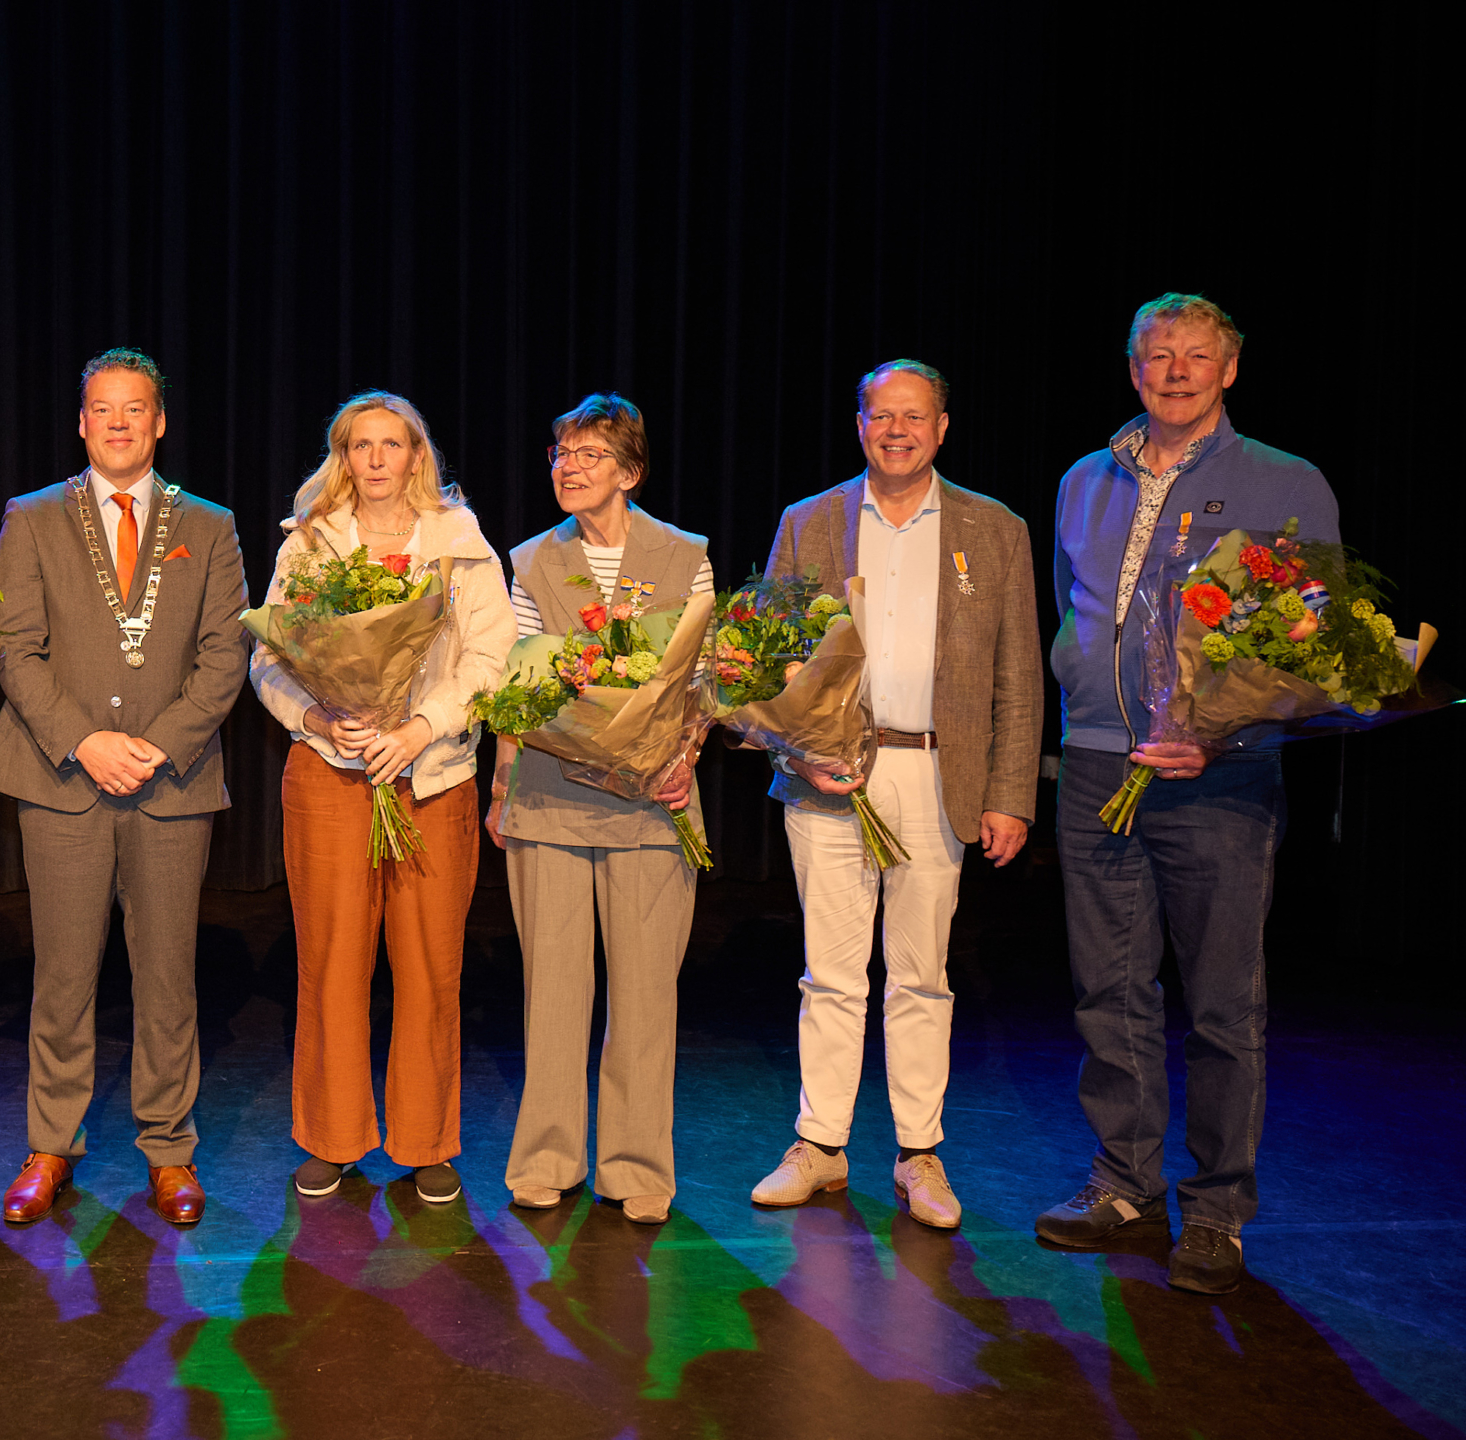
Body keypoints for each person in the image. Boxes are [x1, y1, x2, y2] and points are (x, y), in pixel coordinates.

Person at [1037, 295, 1335, 1295]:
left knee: (1220, 1003)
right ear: (1131, 369)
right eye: (1156, 355)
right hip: (1094, 767)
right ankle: (1123, 1183)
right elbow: (1074, 616)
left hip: (1221, 781)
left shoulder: (1282, 481)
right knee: (1109, 991)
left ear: (1229, 369)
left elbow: (1304, 643)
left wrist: (1222, 728)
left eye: (1194, 356)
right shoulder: (1082, 480)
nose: (1174, 370)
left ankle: (1214, 1212)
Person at [744, 362, 1041, 1229]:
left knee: (921, 976)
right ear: (861, 425)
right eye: (883, 416)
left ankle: (919, 1155)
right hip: (831, 772)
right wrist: (802, 749)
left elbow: (1019, 675)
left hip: (939, 774)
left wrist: (1011, 794)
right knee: (830, 974)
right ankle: (821, 1146)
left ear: (943, 427)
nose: (898, 431)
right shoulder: (811, 522)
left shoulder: (995, 530)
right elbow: (765, 658)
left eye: (915, 417)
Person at [0, 347, 249, 1227]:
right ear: (82, 422)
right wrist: (85, 742)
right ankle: (50, 1145)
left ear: (159, 422)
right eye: (104, 408)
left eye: (137, 409)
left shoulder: (207, 524)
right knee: (61, 974)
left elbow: (224, 655)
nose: (120, 422)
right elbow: (13, 649)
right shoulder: (32, 517)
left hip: (171, 785)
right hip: (63, 780)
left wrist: (157, 747)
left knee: (168, 976)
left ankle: (169, 1149)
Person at [250, 391, 513, 1205]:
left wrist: (419, 729)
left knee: (431, 967)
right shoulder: (310, 545)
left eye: (389, 445)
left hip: (430, 781)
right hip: (330, 776)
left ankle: (425, 1141)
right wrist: (320, 715)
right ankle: (332, 1138)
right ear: (342, 456)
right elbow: (268, 660)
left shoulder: (462, 545)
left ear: (415, 456)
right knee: (331, 963)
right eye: (359, 445)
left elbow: (491, 659)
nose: (374, 459)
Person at [490, 393, 712, 1223]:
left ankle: (638, 1168)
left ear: (631, 472)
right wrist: (501, 786)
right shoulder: (530, 561)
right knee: (551, 993)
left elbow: (699, 679)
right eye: (560, 455)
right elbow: (518, 682)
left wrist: (684, 760)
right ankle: (546, 1158)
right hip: (550, 795)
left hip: (655, 801)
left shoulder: (683, 554)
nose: (568, 468)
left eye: (588, 455)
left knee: (647, 998)